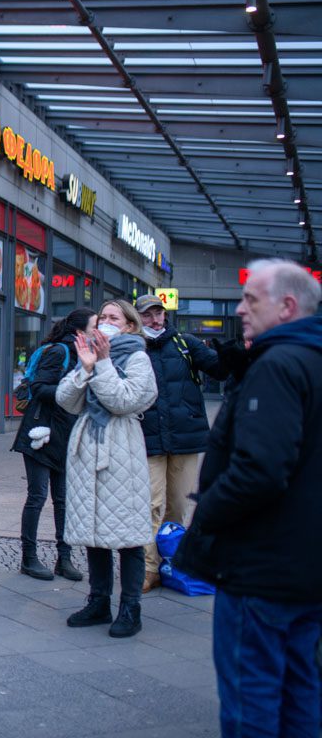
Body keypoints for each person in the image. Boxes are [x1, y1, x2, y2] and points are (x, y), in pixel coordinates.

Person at [173, 260, 322, 738]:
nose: (239, 309)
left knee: (252, 698)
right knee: (300, 689)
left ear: (288, 306)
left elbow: (260, 469)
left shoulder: (277, 366)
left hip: (261, 567)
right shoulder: (309, 359)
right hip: (302, 564)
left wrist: (206, 515)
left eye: (251, 300)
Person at [57, 300, 157, 639]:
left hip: (122, 449)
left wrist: (101, 365)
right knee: (94, 529)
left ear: (129, 325)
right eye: (102, 319)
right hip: (88, 449)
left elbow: (123, 401)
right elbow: (65, 400)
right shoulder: (90, 353)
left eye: (114, 318)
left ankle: (131, 607)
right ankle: (99, 601)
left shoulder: (139, 357)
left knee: (128, 534)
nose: (107, 323)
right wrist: (84, 368)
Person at [133, 293, 228, 593]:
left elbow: (218, 369)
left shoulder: (184, 344)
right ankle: (148, 569)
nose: (155, 319)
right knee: (150, 505)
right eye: (148, 315)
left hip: (185, 440)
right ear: (138, 318)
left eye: (158, 313)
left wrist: (230, 356)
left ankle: (171, 563)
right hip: (148, 439)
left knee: (177, 507)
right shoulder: (133, 347)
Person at [9, 307, 96, 582]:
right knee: (37, 497)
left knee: (63, 500)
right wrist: (71, 391)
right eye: (96, 325)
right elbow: (38, 388)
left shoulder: (88, 356)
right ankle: (29, 558)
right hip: (41, 434)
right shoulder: (60, 351)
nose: (100, 331)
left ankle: (64, 558)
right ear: (81, 331)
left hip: (66, 435)